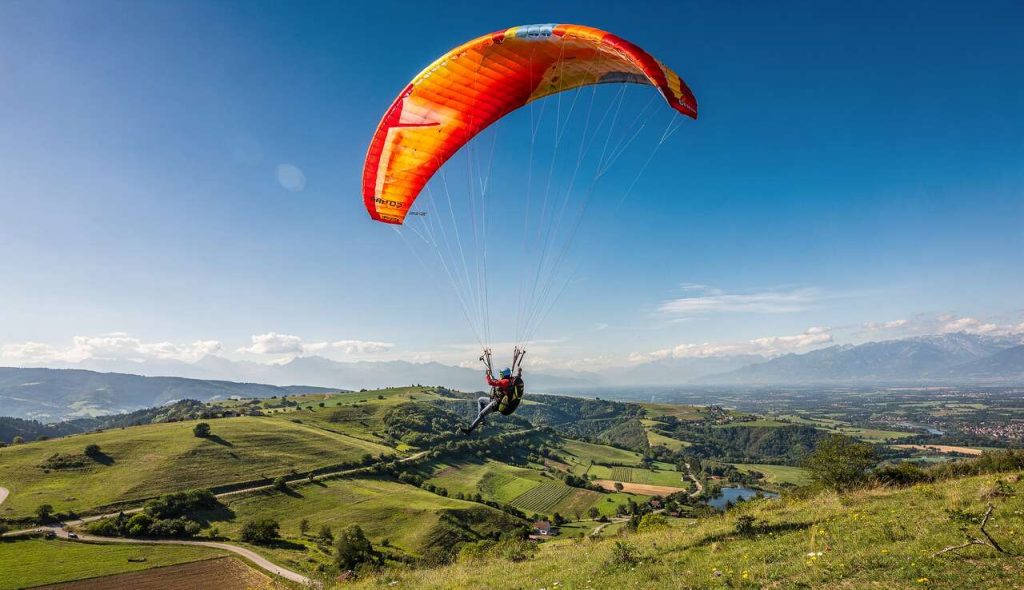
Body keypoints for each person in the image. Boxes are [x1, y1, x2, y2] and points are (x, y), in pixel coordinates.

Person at [461, 367, 524, 434]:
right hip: (501, 402)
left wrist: (487, 375)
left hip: (496, 404)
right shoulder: (512, 380)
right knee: (480, 400)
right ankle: (482, 421)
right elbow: (518, 377)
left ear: (503, 374)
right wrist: (519, 372)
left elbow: (490, 382)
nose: (500, 375)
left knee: (481, 414)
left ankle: (469, 430)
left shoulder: (505, 381)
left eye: (501, 374)